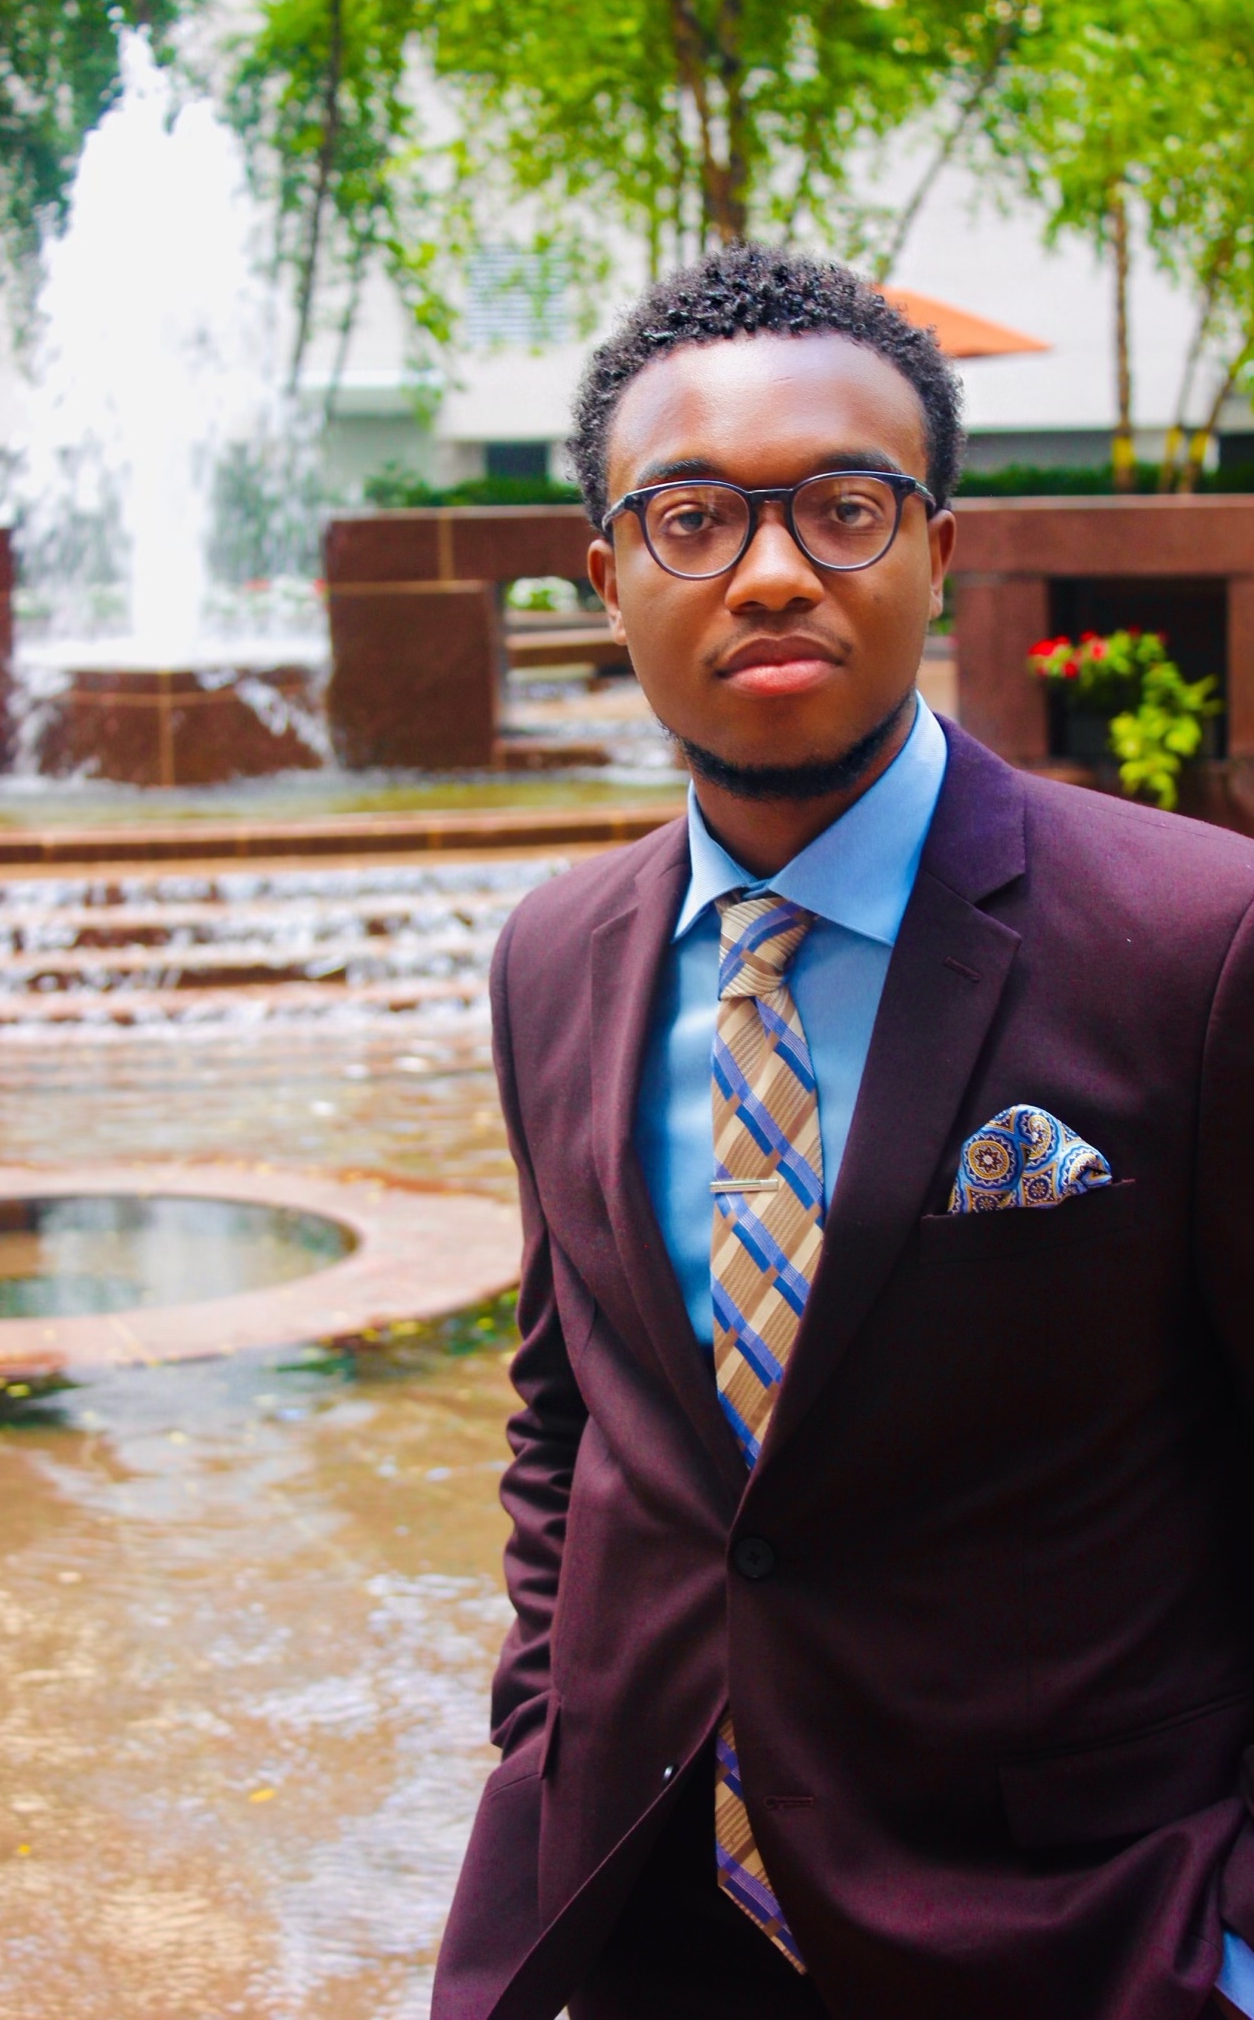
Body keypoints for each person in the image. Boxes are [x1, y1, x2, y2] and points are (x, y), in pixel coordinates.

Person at [432, 244, 1254, 2020]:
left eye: (844, 507)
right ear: (605, 577)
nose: (775, 572)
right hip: (641, 1911)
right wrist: (543, 1741)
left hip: (1079, 1934)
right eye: (692, 521)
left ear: (938, 551)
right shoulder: (552, 958)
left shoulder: (1195, 946)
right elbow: (568, 1421)